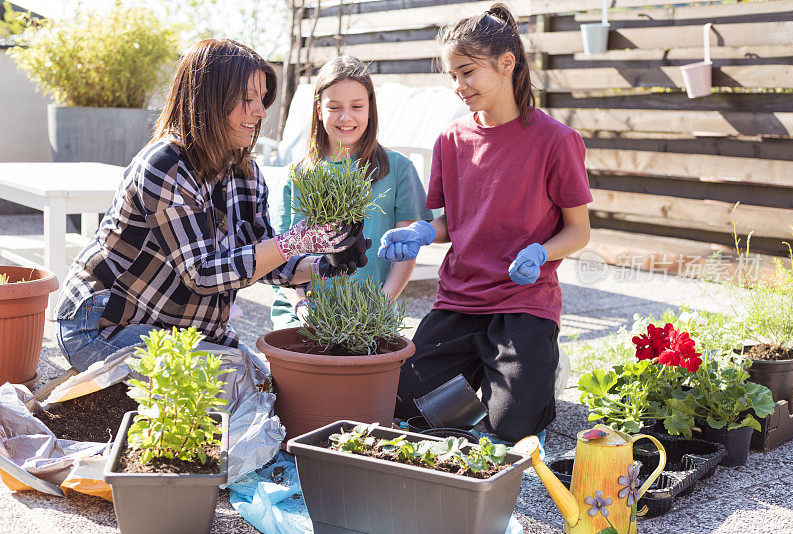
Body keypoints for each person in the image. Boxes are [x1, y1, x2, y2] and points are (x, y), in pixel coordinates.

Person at [56, 39, 357, 373]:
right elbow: (201, 273)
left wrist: (324, 264)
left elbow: (266, 261)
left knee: (260, 381)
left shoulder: (246, 172)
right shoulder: (165, 165)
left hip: (177, 329)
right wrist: (292, 242)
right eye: (248, 99)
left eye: (261, 99)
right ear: (211, 100)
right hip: (105, 325)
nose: (261, 111)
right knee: (231, 384)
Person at [379, 4, 593, 446]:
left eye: (467, 72)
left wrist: (541, 252)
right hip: (459, 300)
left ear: (506, 64)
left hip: (523, 302)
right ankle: (494, 375)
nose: (458, 86)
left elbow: (579, 230)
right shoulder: (452, 139)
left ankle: (536, 372)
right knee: (405, 406)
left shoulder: (556, 141)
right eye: (452, 76)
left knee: (513, 429)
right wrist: (422, 232)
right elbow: (449, 224)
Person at [270, 55, 433, 328]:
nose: (346, 117)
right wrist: (301, 305)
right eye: (334, 107)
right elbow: (279, 257)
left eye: (357, 106)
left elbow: (406, 252)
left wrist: (380, 306)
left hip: (372, 314)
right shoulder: (296, 176)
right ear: (319, 110)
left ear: (370, 108)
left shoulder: (399, 169)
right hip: (303, 316)